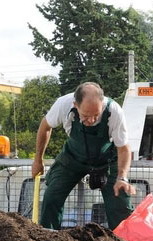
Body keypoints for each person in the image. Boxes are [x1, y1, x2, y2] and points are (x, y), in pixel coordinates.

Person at [31, 82, 135, 230]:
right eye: (86, 116)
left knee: (120, 201)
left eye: (96, 115)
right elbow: (45, 127)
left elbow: (123, 148)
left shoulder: (114, 111)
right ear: (75, 105)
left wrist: (122, 177)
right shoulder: (63, 104)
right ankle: (48, 238)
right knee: (51, 196)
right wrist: (37, 160)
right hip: (72, 158)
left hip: (106, 160)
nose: (92, 120)